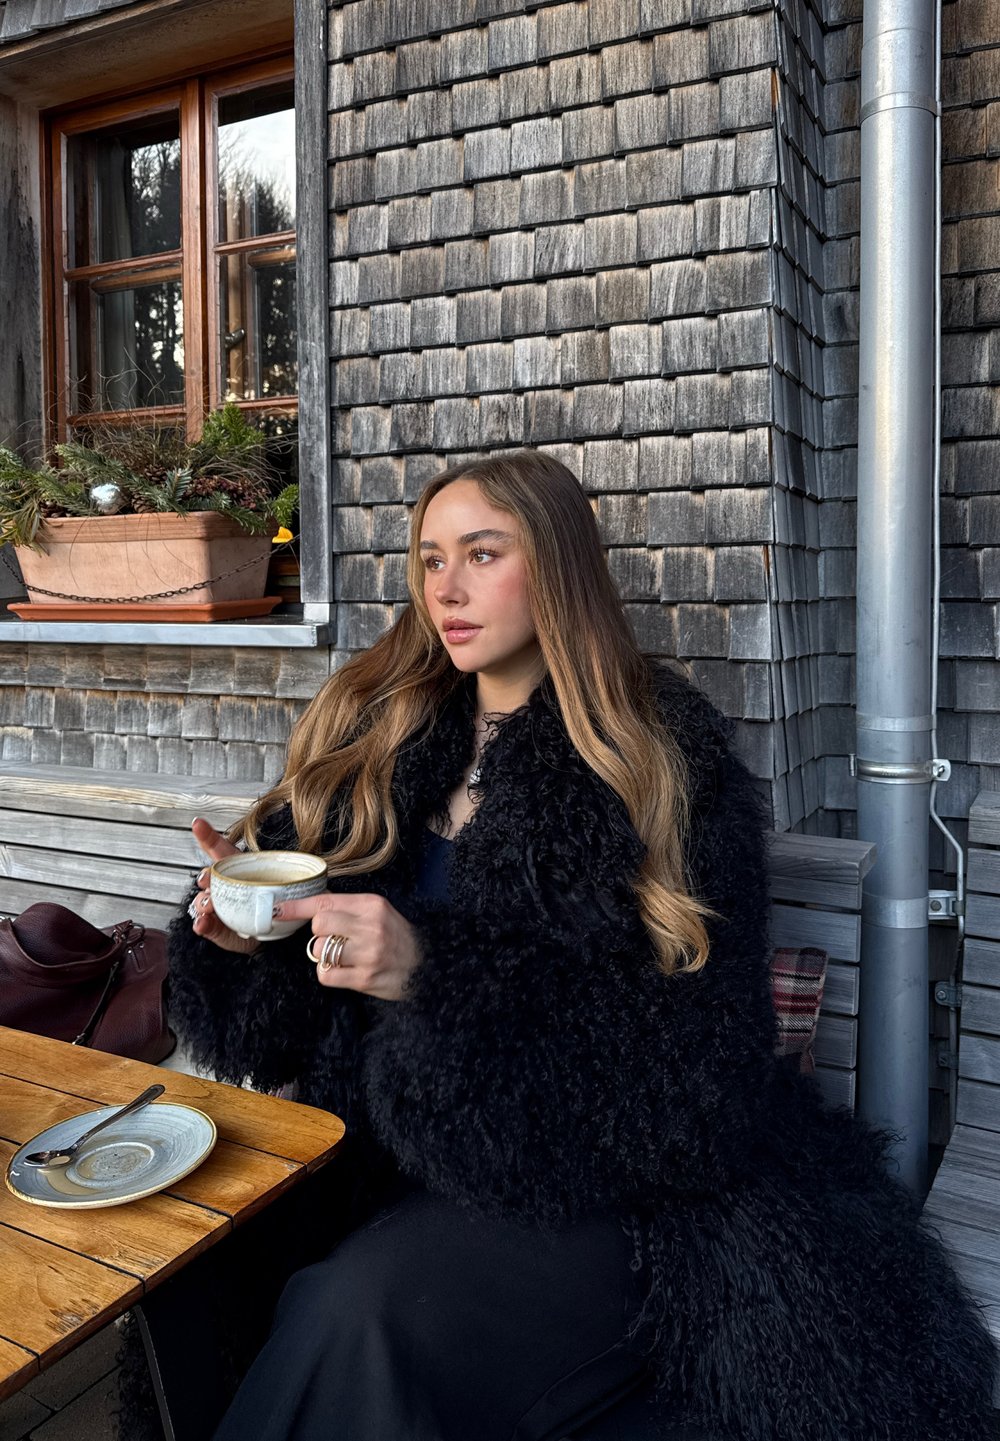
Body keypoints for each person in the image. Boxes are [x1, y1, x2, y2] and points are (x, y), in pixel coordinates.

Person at [168, 450, 998, 1441]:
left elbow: (691, 1076)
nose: (448, 588)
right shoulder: (380, 738)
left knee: (362, 1311)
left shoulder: (655, 760)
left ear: (557, 567)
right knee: (190, 1263)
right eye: (431, 559)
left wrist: (433, 976)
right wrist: (234, 938)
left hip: (611, 1189)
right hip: (388, 1153)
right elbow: (281, 1032)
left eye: (483, 553)